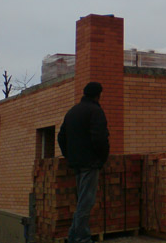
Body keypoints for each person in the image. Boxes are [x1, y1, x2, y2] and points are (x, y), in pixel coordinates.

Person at [58, 82, 110, 243]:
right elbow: (100, 139)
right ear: (98, 95)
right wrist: (101, 159)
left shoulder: (72, 111)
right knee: (86, 202)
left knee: (82, 200)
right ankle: (81, 238)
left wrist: (69, 156)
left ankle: (73, 235)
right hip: (90, 163)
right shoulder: (95, 111)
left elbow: (61, 137)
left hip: (76, 163)